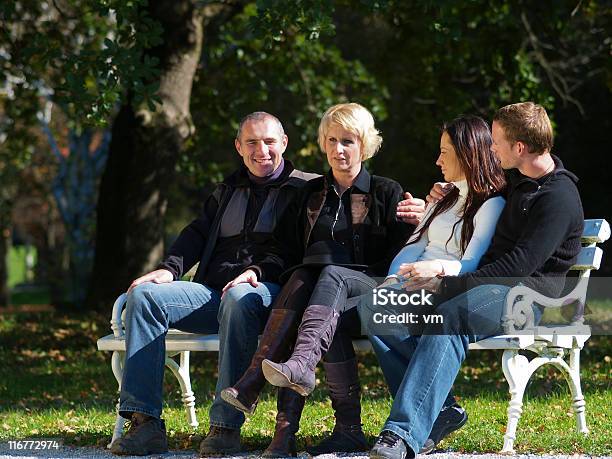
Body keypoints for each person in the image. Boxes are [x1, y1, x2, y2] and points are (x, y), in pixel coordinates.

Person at [261, 115, 507, 455]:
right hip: (407, 287)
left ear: (466, 154)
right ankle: (350, 424)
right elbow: (413, 246)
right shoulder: (444, 198)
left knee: (342, 289)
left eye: (444, 152)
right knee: (335, 316)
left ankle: (410, 418)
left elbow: (471, 262)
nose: (437, 160)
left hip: (441, 292)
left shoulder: (491, 204)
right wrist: (392, 282)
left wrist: (432, 270)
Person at [364, 102, 584, 459]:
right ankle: (443, 411)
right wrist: (442, 196)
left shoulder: (557, 198)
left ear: (520, 148)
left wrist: (446, 285)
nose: (490, 148)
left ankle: (401, 435)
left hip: (527, 298)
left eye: (496, 141)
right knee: (379, 306)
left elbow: (518, 266)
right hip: (491, 289)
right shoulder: (519, 182)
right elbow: (474, 194)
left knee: (452, 315)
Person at [109, 112, 320, 456]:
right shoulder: (227, 189)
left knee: (239, 297)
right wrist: (169, 269)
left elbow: (298, 246)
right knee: (145, 296)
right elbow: (197, 232)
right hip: (212, 293)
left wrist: (257, 271)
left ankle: (225, 427)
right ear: (239, 147)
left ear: (284, 143)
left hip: (269, 295)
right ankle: (145, 423)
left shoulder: (306, 189)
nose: (261, 150)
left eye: (269, 141)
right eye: (251, 142)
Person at [221, 102, 423, 457]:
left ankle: (260, 385)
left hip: (369, 294)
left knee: (324, 276)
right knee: (303, 277)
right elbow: (283, 250)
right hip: (322, 303)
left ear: (365, 145)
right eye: (331, 140)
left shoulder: (386, 191)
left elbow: (401, 257)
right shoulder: (308, 193)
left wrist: (421, 218)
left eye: (348, 141)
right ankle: (315, 431)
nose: (338, 149)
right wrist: (257, 271)